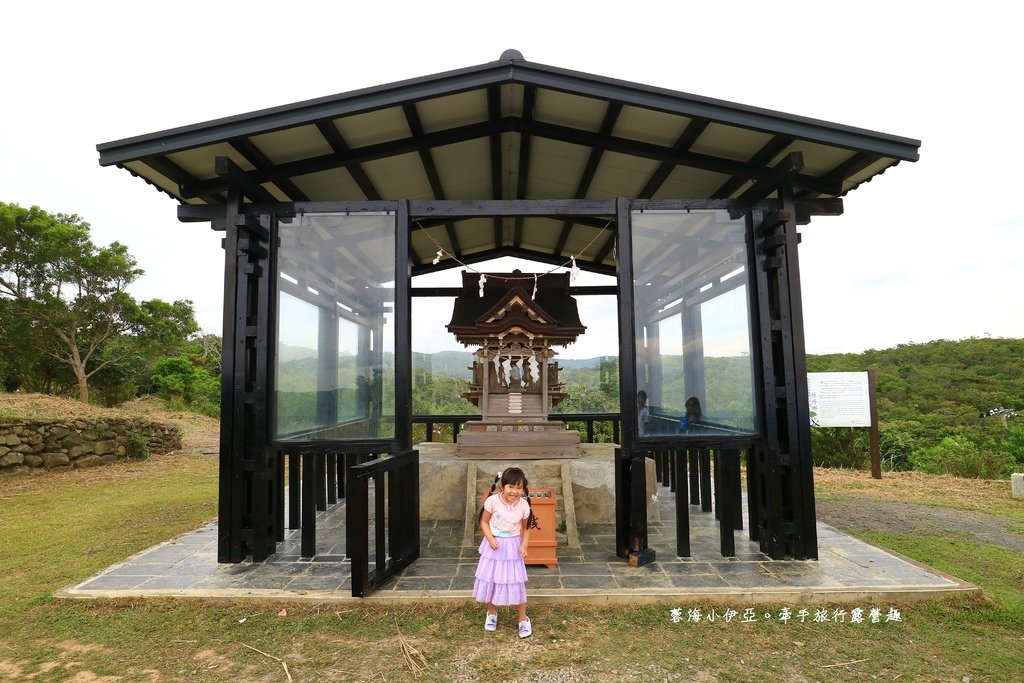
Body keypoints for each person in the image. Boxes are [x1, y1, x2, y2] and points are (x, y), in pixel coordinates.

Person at [475, 467, 538, 638]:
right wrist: (490, 539)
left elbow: (526, 527)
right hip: (494, 546)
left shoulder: (524, 505)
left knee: (516, 581)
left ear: (523, 489)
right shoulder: (493, 501)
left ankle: (523, 619)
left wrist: (524, 544)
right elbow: (484, 522)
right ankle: (491, 613)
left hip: (512, 547)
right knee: (491, 579)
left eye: (519, 488)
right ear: (503, 487)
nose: (515, 491)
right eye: (511, 487)